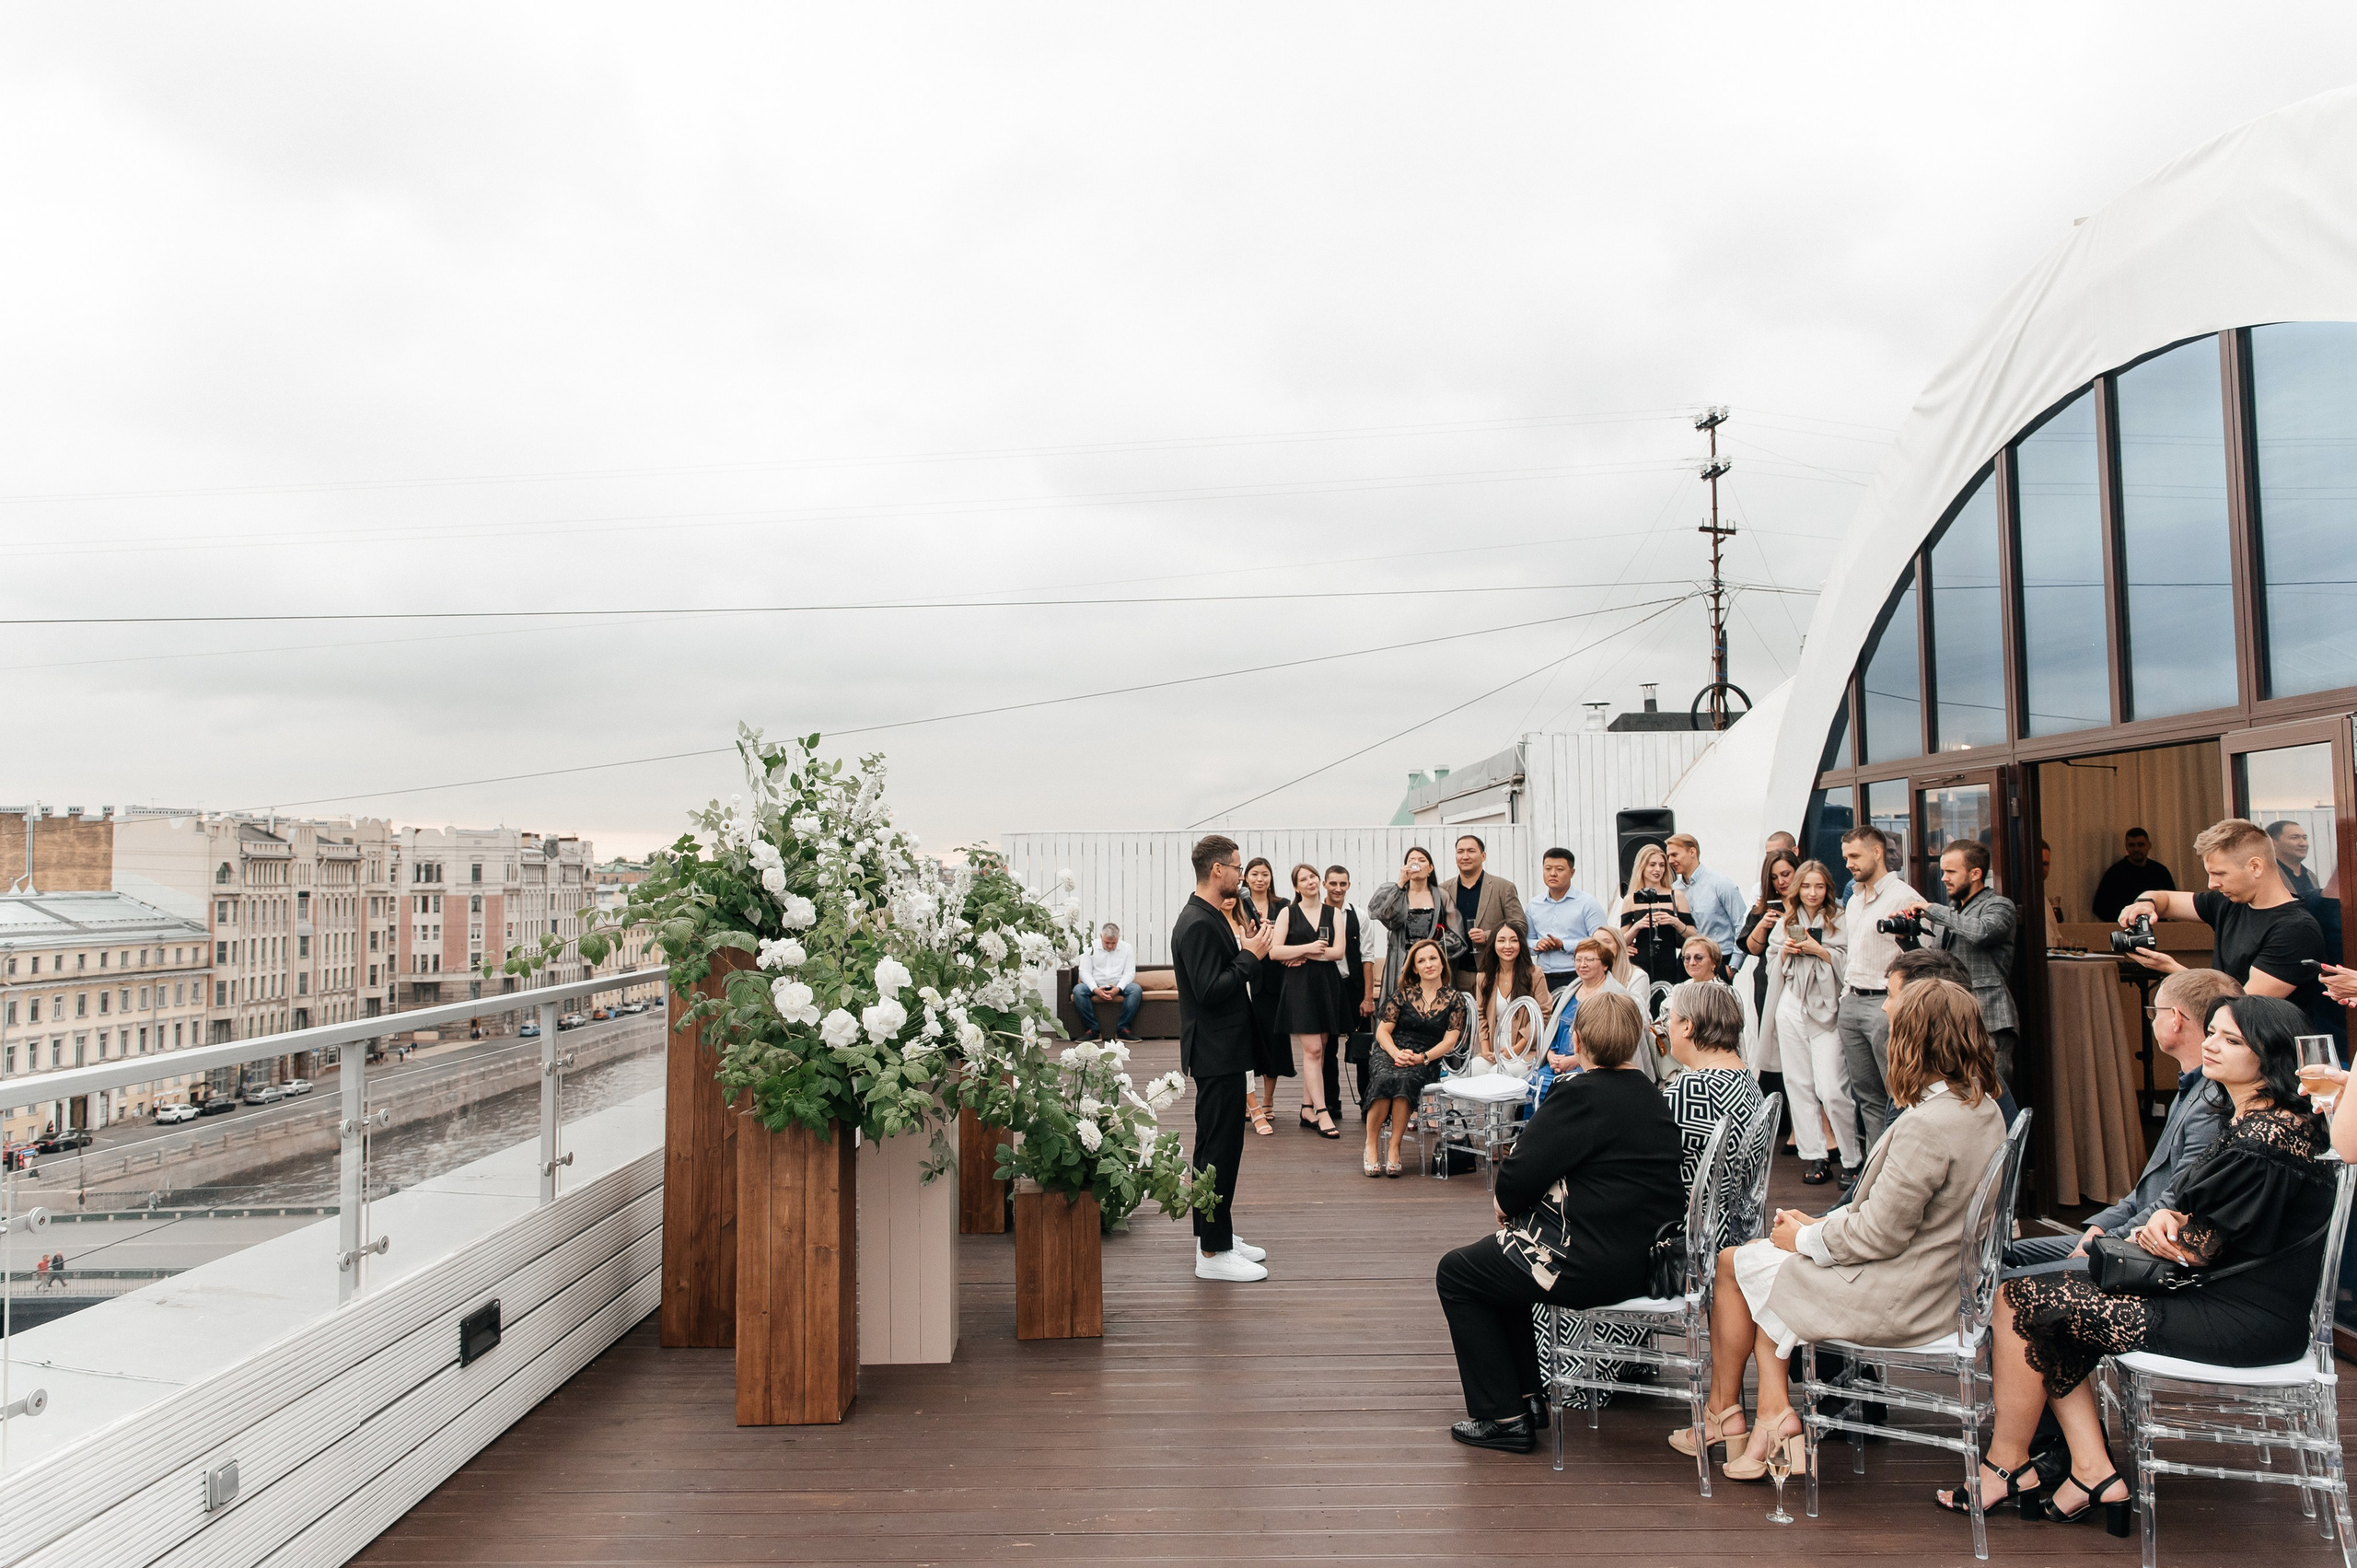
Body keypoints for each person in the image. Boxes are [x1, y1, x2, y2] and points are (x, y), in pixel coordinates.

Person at [1955, 995, 2336, 1529]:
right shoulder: (2258, 1120)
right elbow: (2209, 1225)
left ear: (2270, 1057)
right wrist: (2168, 1223)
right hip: (2230, 1296)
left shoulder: (2266, 1138)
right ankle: (2089, 1471)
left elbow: (2196, 1249)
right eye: (2214, 1032)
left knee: (2019, 1298)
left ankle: (2009, 1465)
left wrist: (2163, 1229)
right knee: (2042, 1303)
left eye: (2231, 1040)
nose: (2211, 1044)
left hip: (2244, 1316)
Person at [1678, 980, 2004, 1477]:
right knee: (1746, 1261)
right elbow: (1903, 1215)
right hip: (1937, 1278)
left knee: (1744, 1264)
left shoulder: (1928, 1126)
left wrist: (1805, 1239)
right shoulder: (1981, 1108)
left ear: (1913, 1040)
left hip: (1905, 1295)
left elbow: (1881, 1235)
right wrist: (1823, 1223)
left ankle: (1751, 1416)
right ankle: (1764, 1415)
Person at [1434, 990, 1684, 1453]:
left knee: (1457, 1273)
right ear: (1633, 1042)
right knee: (1497, 1266)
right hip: (1644, 1260)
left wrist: (1509, 1206)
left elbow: (1515, 1180)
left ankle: (1504, 1417)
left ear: (1579, 1039)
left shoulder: (1581, 1096)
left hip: (1587, 1263)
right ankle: (1526, 1399)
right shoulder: (1651, 1096)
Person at [2008, 968, 2243, 1265]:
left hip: (2149, 1247)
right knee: (2004, 1257)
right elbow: (2148, 1190)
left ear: (2175, 1018)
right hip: (2130, 1232)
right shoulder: (2194, 1087)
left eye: (2153, 1012)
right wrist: (2100, 1226)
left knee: (2006, 1278)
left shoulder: (2211, 1102)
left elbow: (2175, 1199)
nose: (2152, 1019)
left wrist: (2103, 1240)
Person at [1171, 834, 1278, 1282]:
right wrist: (1251, 957)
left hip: (1227, 1048)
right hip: (1215, 1051)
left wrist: (1245, 948)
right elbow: (1209, 991)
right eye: (1236, 868)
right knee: (1216, 1149)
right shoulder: (1196, 922)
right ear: (1218, 871)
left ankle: (1218, 1231)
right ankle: (1211, 1254)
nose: (1242, 876)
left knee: (1227, 1146)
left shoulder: (1212, 916)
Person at [2118, 818, 2331, 1030]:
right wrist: (2145, 904)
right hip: (2229, 1048)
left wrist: (2176, 972)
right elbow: (2165, 899)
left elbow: (2240, 1010)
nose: (2212, 884)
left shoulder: (2295, 930)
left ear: (2255, 866)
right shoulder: (2229, 902)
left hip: (2272, 1054)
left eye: (2219, 873)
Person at [1759, 859, 1856, 1187]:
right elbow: (1772, 962)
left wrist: (1822, 951)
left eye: (1819, 886)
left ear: (1828, 888)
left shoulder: (1841, 918)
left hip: (1827, 1007)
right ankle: (1815, 1154)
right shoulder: (1787, 921)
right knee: (1799, 1084)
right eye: (1806, 886)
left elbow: (1850, 961)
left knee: (1831, 1087)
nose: (1812, 893)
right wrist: (1786, 952)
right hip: (1791, 1003)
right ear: (1797, 888)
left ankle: (1852, 1157)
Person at [1896, 840, 2020, 1091]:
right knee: (1962, 1096)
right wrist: (1906, 940)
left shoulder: (1999, 905)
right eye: (1943, 871)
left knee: (1993, 1093)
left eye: (1951, 872)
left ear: (1975, 874)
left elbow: (1983, 932)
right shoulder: (1952, 913)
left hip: (1989, 1018)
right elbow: (1937, 964)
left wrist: (1934, 911)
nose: (1943, 878)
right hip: (1951, 1017)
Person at [1662, 980, 1768, 1249]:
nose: (1666, 1028)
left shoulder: (1693, 1088)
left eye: (1670, 1019)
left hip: (1695, 1240)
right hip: (1738, 1229)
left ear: (1688, 1026)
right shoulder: (1745, 1076)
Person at [1836, 824, 1922, 1148]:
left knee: (1898, 1093)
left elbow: (1920, 956)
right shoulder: (1855, 900)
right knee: (1867, 1097)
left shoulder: (1905, 897)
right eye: (1846, 857)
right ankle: (1875, 1167)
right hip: (1853, 1002)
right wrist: (1845, 999)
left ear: (1877, 852)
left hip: (1885, 1004)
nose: (1848, 864)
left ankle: (1899, 1166)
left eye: (1854, 856)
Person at [1365, 938, 1466, 1179]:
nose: (1428, 964)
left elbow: (1449, 1041)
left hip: (1426, 1057)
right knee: (1385, 1077)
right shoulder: (1402, 995)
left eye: (1433, 958)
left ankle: (1394, 1147)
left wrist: (1421, 1058)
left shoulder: (1454, 999)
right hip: (1391, 1050)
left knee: (1405, 1081)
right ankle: (1370, 1144)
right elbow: (1382, 1032)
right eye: (1421, 960)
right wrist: (1396, 1053)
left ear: (1443, 963)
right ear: (1414, 968)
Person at [1271, 864, 1344, 1139]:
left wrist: (1306, 955)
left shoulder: (1333, 912)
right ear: (1296, 886)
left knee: (1320, 1050)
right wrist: (1308, 948)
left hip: (1326, 985)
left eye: (1313, 876)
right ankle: (1323, 1112)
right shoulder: (1287, 913)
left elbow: (1337, 953)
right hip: (1300, 987)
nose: (1311, 881)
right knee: (1313, 1050)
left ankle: (1306, 1107)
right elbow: (1275, 951)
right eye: (1304, 879)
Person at [1368, 846, 1460, 1012]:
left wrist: (1435, 950)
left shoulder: (1441, 896)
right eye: (1412, 861)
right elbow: (1379, 912)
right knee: (1401, 1008)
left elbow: (1455, 933)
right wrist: (1400, 882)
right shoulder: (1397, 892)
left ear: (1430, 868)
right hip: (1402, 959)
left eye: (1422, 860)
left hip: (1429, 961)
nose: (1416, 864)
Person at [1238, 857, 1292, 1132]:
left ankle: (1268, 1099)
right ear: (1245, 877)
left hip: (1276, 977)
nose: (1260, 879)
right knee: (1247, 1040)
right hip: (1245, 972)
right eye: (1255, 874)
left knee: (1273, 1039)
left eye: (1265, 874)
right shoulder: (1237, 904)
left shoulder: (1283, 905)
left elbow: (1291, 937)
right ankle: (1250, 1100)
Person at [1322, 865, 1376, 1122]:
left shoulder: (1359, 915)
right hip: (1326, 988)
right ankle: (1330, 1104)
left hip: (1353, 987)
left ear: (1349, 885)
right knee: (1327, 1048)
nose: (1337, 888)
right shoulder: (1314, 913)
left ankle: (1368, 1103)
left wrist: (1368, 997)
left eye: (1342, 884)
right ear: (1324, 884)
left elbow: (1367, 958)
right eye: (1333, 883)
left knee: (1364, 1047)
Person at [1449, 834, 1527, 995]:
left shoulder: (1503, 887)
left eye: (1471, 851)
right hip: (1455, 973)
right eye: (1460, 852)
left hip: (1493, 971)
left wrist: (1489, 936)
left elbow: (1520, 926)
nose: (1465, 856)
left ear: (1483, 856)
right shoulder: (1444, 890)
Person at [1526, 848, 1607, 995]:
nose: (1553, 874)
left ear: (1572, 872)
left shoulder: (1587, 903)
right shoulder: (1533, 905)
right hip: (1542, 976)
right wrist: (1537, 945)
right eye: (1548, 869)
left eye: (1560, 869)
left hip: (1578, 974)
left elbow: (1602, 942)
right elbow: (1526, 940)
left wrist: (1563, 945)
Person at [1667, 833, 1747, 979]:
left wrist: (1733, 966)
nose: (1671, 861)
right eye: (1669, 856)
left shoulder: (1720, 884)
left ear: (1692, 852)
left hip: (1719, 961)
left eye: (1674, 855)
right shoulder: (1674, 890)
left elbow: (1741, 923)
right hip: (1687, 963)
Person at [1616, 842, 1691, 989]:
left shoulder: (1676, 895)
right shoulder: (1630, 899)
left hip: (1668, 960)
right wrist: (1638, 926)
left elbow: (1692, 934)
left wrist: (1675, 922)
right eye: (1652, 865)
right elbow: (1621, 940)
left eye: (1662, 865)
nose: (1658, 870)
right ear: (1642, 866)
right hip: (1640, 961)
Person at [1475, 923, 1551, 1062]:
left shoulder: (1535, 974)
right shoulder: (1483, 977)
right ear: (1493, 944)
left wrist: (1515, 1050)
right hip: (1493, 1051)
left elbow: (1543, 1016)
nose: (1508, 946)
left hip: (1524, 1052)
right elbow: (1481, 1017)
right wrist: (1485, 1050)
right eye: (1501, 940)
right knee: (1474, 1070)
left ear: (1521, 944)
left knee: (1496, 1076)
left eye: (1514, 940)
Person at [1071, 923, 1141, 1042]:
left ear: (1118, 938)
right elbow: (1084, 972)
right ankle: (1093, 1030)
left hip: (1118, 985)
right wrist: (1095, 989)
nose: (1109, 946)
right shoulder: (1089, 947)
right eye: (1106, 942)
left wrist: (1118, 988)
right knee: (1078, 990)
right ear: (1100, 936)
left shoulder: (1127, 948)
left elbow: (1129, 973)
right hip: (1095, 985)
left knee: (1136, 989)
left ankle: (1123, 1030)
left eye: (1113, 943)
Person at [2091, 827, 2177, 922]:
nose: (2136, 849)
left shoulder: (2160, 871)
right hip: (2126, 930)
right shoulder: (2115, 873)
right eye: (2132, 845)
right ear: (2126, 847)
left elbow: (2172, 902)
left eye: (2141, 845)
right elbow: (2099, 907)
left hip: (2158, 928)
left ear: (2149, 845)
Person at [2270, 819, 2320, 900]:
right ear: (2273, 842)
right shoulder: (2268, 875)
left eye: (2305, 838)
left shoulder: (2311, 876)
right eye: (2294, 838)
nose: (2303, 843)